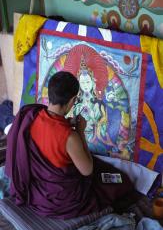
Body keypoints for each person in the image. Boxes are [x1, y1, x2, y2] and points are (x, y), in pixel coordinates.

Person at [5, 71, 140, 219]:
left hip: (35, 189)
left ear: (50, 93)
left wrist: (66, 125)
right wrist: (80, 132)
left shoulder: (32, 114)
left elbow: (49, 129)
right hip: (60, 200)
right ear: (73, 100)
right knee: (119, 180)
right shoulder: (70, 137)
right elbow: (87, 170)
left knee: (101, 166)